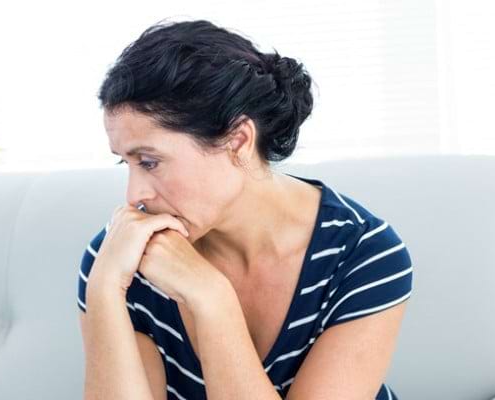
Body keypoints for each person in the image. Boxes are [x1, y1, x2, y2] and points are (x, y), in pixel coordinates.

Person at [77, 18, 413, 400]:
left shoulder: (362, 253)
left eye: (150, 162)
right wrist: (104, 288)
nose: (133, 195)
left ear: (237, 141)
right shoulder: (121, 255)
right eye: (126, 162)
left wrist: (212, 299)